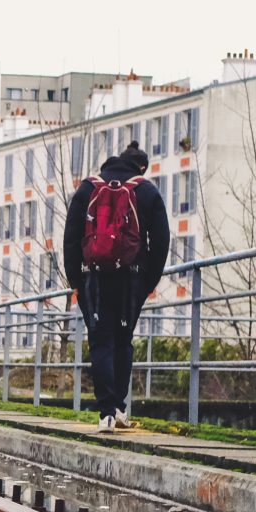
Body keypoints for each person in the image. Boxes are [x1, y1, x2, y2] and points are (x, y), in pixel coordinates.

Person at [61, 141, 169, 432]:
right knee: (123, 340)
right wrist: (148, 281)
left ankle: (106, 413)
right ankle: (120, 408)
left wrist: (76, 282)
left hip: (93, 278)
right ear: (141, 167)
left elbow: (71, 239)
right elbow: (161, 241)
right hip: (132, 279)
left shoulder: (87, 189)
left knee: (101, 342)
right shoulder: (146, 191)